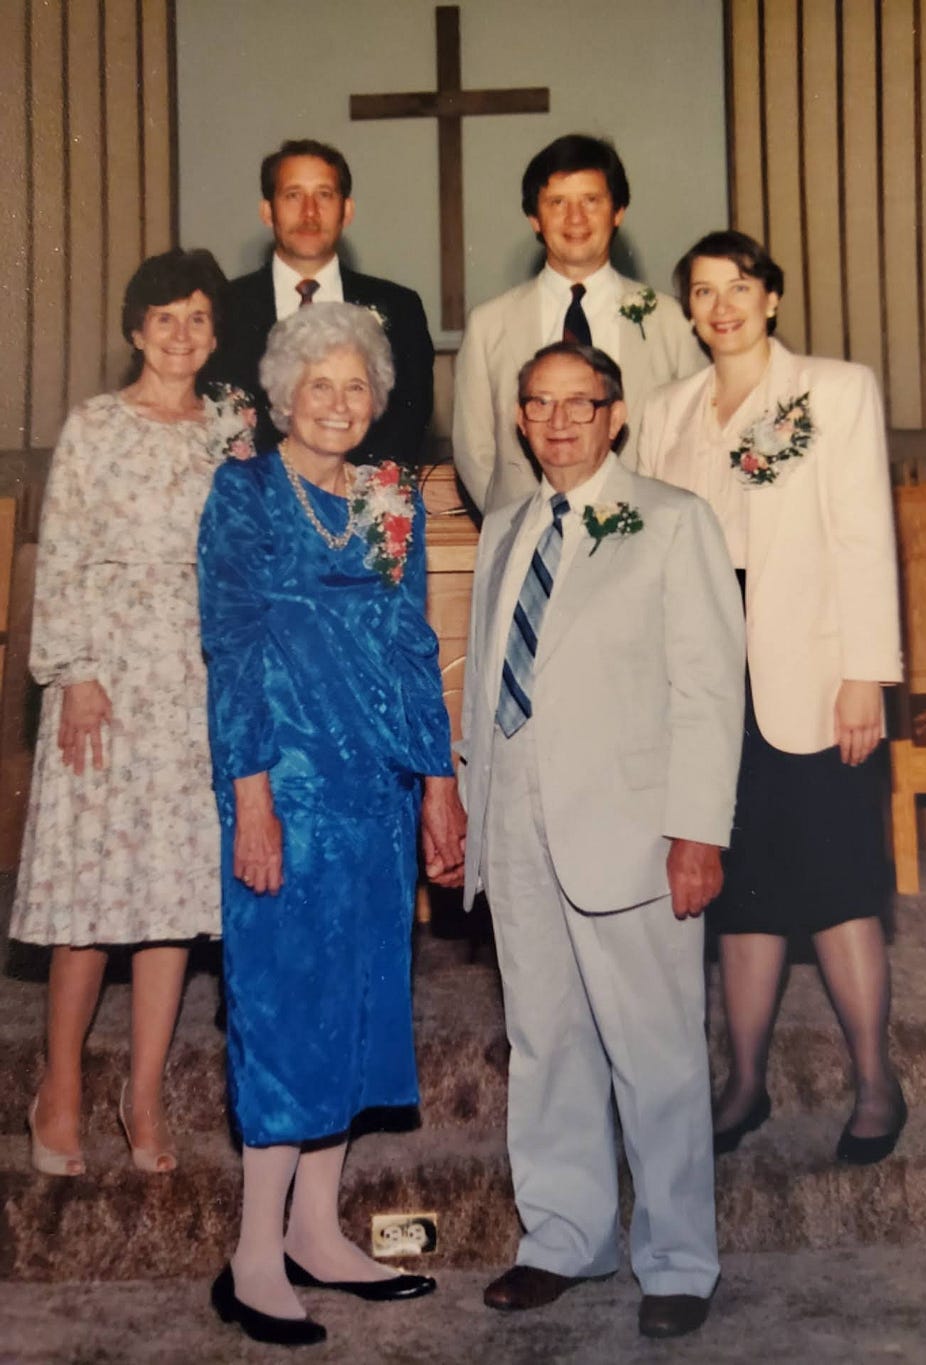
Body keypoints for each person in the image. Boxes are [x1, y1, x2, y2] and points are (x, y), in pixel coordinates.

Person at [458, 342, 745, 1339]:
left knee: (655, 1052)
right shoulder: (504, 527)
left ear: (615, 415)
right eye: (538, 403)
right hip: (516, 819)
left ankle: (676, 1259)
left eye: (580, 403)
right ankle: (561, 1238)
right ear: (521, 418)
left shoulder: (673, 522)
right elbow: (484, 681)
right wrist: (468, 804)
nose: (559, 420)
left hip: (632, 828)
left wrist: (696, 831)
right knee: (545, 1043)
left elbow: (709, 690)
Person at [198, 302, 466, 1349]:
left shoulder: (391, 499)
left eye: (358, 387)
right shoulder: (244, 493)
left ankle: (317, 1229)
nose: (341, 404)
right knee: (284, 1004)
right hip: (287, 789)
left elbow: (411, 646)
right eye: (322, 386)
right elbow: (231, 646)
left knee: (359, 999)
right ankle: (252, 1255)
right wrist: (252, 796)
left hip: (376, 794)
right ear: (283, 398)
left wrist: (437, 784)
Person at [632, 229, 906, 1164]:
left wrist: (864, 671)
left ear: (772, 297)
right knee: (738, 887)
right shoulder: (665, 410)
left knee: (835, 883)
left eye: (739, 286)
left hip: (810, 670)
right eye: (703, 291)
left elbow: (865, 536)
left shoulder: (834, 390)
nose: (723, 306)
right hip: (703, 672)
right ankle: (743, 1081)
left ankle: (876, 1080)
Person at [11, 248, 255, 1178]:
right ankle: (60, 1085)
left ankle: (142, 1092)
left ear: (213, 332)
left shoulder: (228, 430)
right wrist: (73, 673)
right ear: (133, 331)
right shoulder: (94, 426)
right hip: (108, 680)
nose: (181, 335)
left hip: (194, 681)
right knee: (88, 899)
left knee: (172, 902)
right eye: (164, 319)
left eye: (197, 318)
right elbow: (62, 550)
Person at [452, 133, 705, 514]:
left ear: (618, 211)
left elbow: (693, 439)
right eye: (557, 203)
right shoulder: (489, 324)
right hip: (529, 534)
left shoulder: (670, 320)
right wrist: (516, 525)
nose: (576, 218)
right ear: (535, 219)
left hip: (643, 531)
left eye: (591, 200)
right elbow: (475, 451)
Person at [211, 137, 434, 462]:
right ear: (266, 211)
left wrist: (351, 493)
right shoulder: (224, 307)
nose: (310, 213)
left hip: (359, 501)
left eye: (324, 195)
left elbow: (409, 422)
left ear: (347, 211)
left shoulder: (400, 307)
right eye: (293, 196)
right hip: (254, 502)